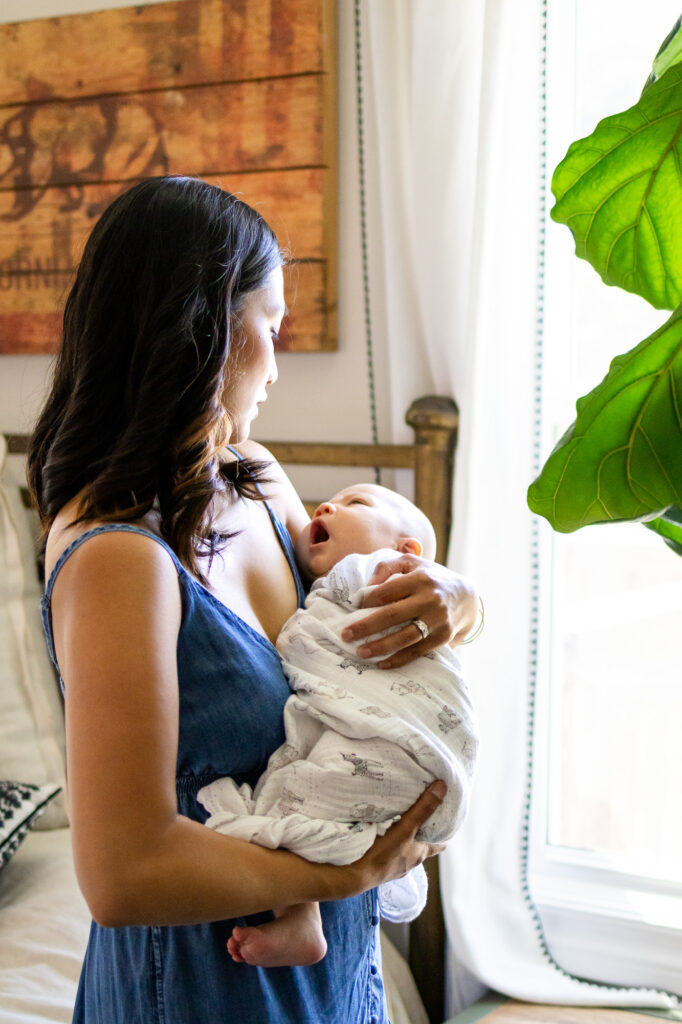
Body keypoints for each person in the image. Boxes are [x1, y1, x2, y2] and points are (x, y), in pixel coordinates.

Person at [27, 175, 481, 1024]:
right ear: (204, 331)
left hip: (332, 976)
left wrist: (456, 596)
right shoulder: (119, 556)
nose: (278, 360)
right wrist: (347, 875)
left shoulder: (253, 479)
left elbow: (352, 630)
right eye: (270, 327)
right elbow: (123, 875)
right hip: (202, 989)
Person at [199, 482, 479, 969]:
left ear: (405, 550)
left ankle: (302, 917)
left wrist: (465, 598)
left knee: (291, 795)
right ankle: (303, 914)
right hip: (368, 740)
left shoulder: (377, 573)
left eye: (357, 504)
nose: (325, 506)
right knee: (302, 789)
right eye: (329, 503)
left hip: (396, 742)